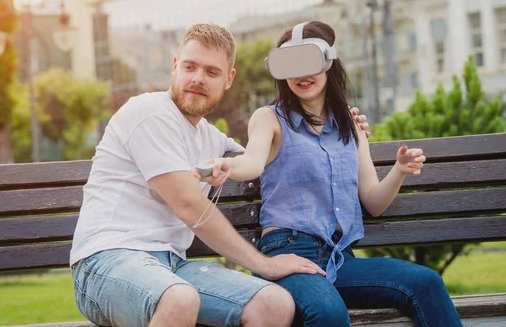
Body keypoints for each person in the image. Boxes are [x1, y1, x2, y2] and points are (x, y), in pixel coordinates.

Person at [71, 23, 372, 327]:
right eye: (190, 67)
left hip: (172, 266)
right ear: (176, 67)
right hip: (105, 262)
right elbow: (189, 205)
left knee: (274, 303)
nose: (198, 79)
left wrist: (341, 132)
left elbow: (270, 157)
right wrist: (264, 265)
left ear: (228, 79)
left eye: (212, 72)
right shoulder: (148, 112)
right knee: (179, 298)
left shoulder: (212, 139)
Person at [194, 21, 462, 327]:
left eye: (308, 62)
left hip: (340, 259)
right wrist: (228, 166)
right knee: (329, 312)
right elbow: (252, 162)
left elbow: (373, 202)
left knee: (426, 283)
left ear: (328, 63)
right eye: (290, 65)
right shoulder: (269, 118)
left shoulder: (349, 124)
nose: (300, 74)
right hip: (287, 255)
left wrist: (400, 170)